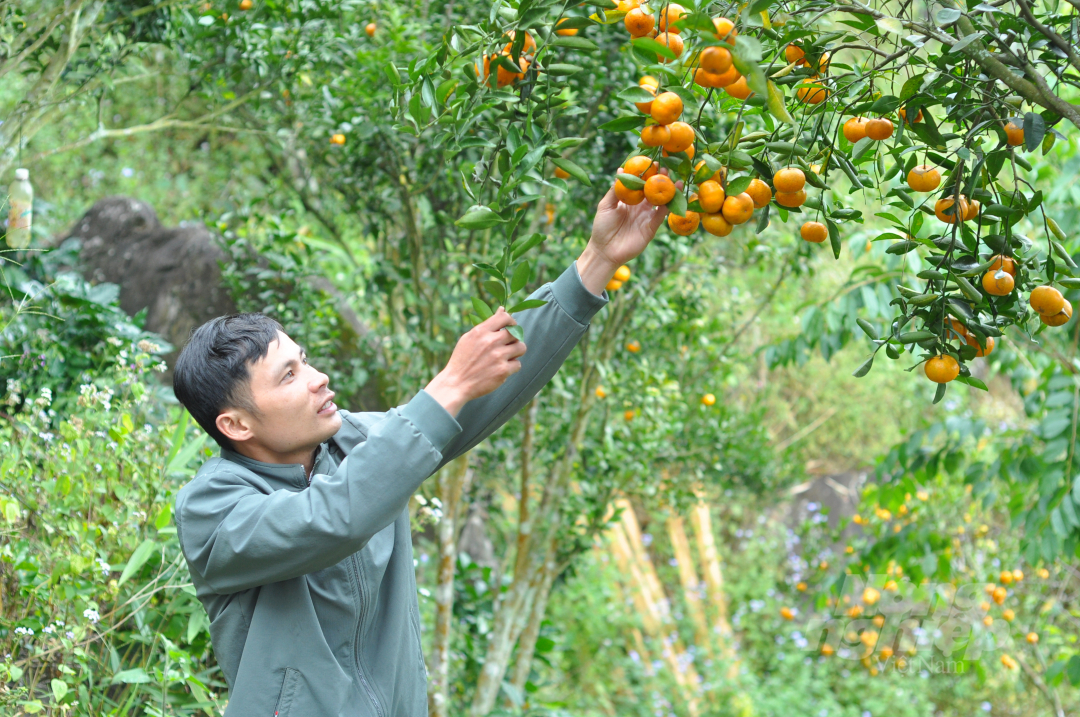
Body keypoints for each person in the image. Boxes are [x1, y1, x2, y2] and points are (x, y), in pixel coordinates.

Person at [171, 187, 670, 716]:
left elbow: (467, 406)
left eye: (306, 360)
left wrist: (597, 261)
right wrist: (449, 384)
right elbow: (332, 518)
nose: (319, 379)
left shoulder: (353, 445)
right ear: (236, 424)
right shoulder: (213, 511)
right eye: (289, 375)